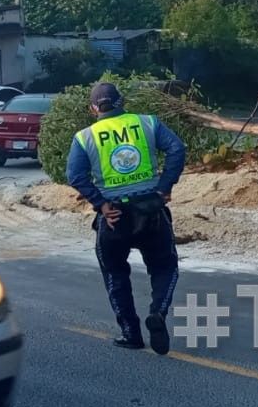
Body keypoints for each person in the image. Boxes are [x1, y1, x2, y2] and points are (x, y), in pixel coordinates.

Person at [66, 82, 187, 354]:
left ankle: (131, 333)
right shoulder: (147, 123)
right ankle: (158, 312)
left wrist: (101, 204)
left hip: (114, 216)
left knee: (115, 273)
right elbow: (177, 149)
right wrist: (165, 186)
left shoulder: (85, 137)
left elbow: (75, 175)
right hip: (150, 208)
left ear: (92, 109)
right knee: (165, 266)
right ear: (123, 102)